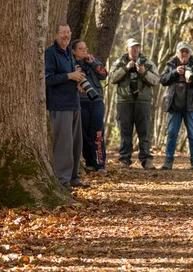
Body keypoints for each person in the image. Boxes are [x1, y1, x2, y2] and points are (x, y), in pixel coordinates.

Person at [45, 24, 90, 190]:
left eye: (68, 32)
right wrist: (69, 76)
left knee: (76, 143)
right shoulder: (50, 53)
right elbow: (47, 79)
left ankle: (73, 177)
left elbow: (72, 77)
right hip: (59, 105)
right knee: (63, 144)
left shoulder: (69, 55)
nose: (66, 35)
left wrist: (79, 82)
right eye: (62, 32)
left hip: (74, 103)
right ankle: (62, 180)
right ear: (56, 34)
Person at [110, 38, 160, 169]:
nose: (135, 50)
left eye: (137, 47)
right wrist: (126, 68)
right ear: (127, 49)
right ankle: (124, 159)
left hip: (143, 101)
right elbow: (112, 78)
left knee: (144, 131)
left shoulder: (147, 62)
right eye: (132, 48)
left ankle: (146, 160)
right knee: (124, 131)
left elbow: (155, 80)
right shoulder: (120, 62)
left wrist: (143, 72)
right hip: (124, 101)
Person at [159, 41, 193, 170]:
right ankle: (168, 161)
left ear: (190, 53)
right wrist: (175, 72)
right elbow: (163, 80)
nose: (184, 54)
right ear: (177, 53)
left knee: (192, 134)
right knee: (172, 133)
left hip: (191, 105)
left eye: (187, 51)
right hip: (175, 105)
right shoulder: (171, 64)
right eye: (182, 51)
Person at [71, 39, 108, 174]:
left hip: (96, 100)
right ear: (74, 51)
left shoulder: (93, 61)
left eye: (85, 48)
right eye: (80, 49)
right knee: (84, 133)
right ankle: (90, 162)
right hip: (81, 101)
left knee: (98, 132)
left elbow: (103, 74)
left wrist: (93, 63)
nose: (84, 51)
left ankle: (101, 163)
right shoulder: (71, 64)